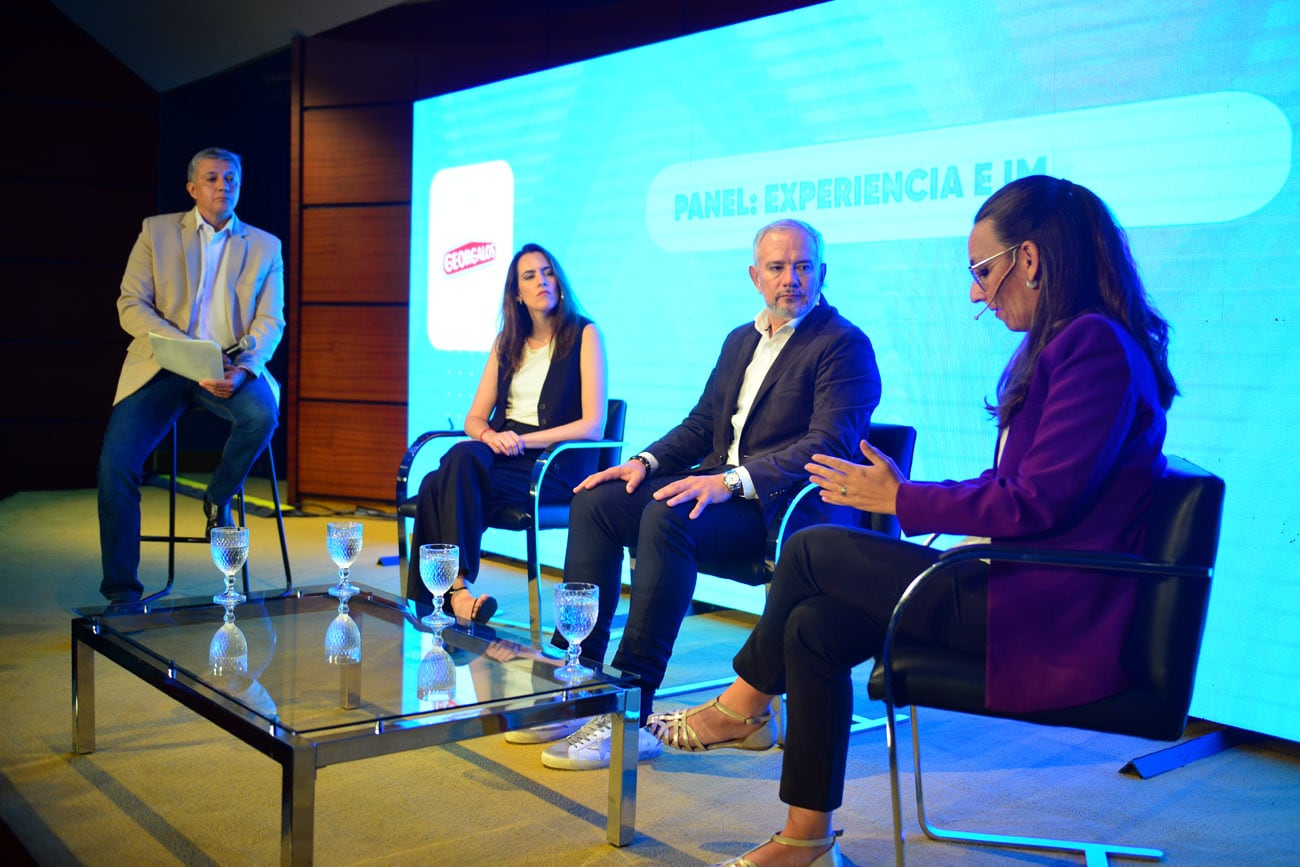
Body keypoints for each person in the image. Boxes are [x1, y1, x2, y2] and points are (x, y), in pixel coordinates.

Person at [643, 176, 1179, 867]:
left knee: (808, 550)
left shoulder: (1092, 347)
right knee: (812, 629)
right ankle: (803, 837)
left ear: (1032, 260)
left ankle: (741, 708)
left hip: (1040, 610)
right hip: (1014, 583)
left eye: (982, 271)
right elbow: (1017, 487)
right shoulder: (1071, 343)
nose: (976, 293)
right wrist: (913, 496)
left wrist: (901, 499)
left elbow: (1036, 502)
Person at [529, 219, 882, 770]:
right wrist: (642, 463)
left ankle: (629, 709)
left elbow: (827, 444)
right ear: (754, 276)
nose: (792, 279)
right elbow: (701, 425)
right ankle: (578, 682)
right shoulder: (741, 339)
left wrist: (727, 482)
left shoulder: (844, 345)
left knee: (667, 519)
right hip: (719, 492)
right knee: (597, 503)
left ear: (822, 272)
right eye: (777, 267)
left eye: (804, 266)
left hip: (780, 512)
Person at [98, 147, 284, 605]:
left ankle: (217, 497)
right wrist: (184, 351)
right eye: (213, 178)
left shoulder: (265, 245)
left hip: (227, 366)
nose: (223, 186)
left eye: (231, 179)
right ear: (193, 188)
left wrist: (243, 368)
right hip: (163, 363)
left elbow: (270, 321)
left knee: (262, 416)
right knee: (115, 466)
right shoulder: (156, 231)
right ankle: (122, 591)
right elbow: (130, 303)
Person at [404, 244, 607, 623]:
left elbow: (593, 425)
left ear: (559, 281)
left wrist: (520, 441)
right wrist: (490, 437)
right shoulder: (507, 343)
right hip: (502, 458)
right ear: (517, 293)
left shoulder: (585, 334)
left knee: (437, 482)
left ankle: (442, 597)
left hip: (554, 466)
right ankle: (458, 592)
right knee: (456, 464)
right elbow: (475, 418)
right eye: (529, 276)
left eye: (547, 272)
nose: (541, 281)